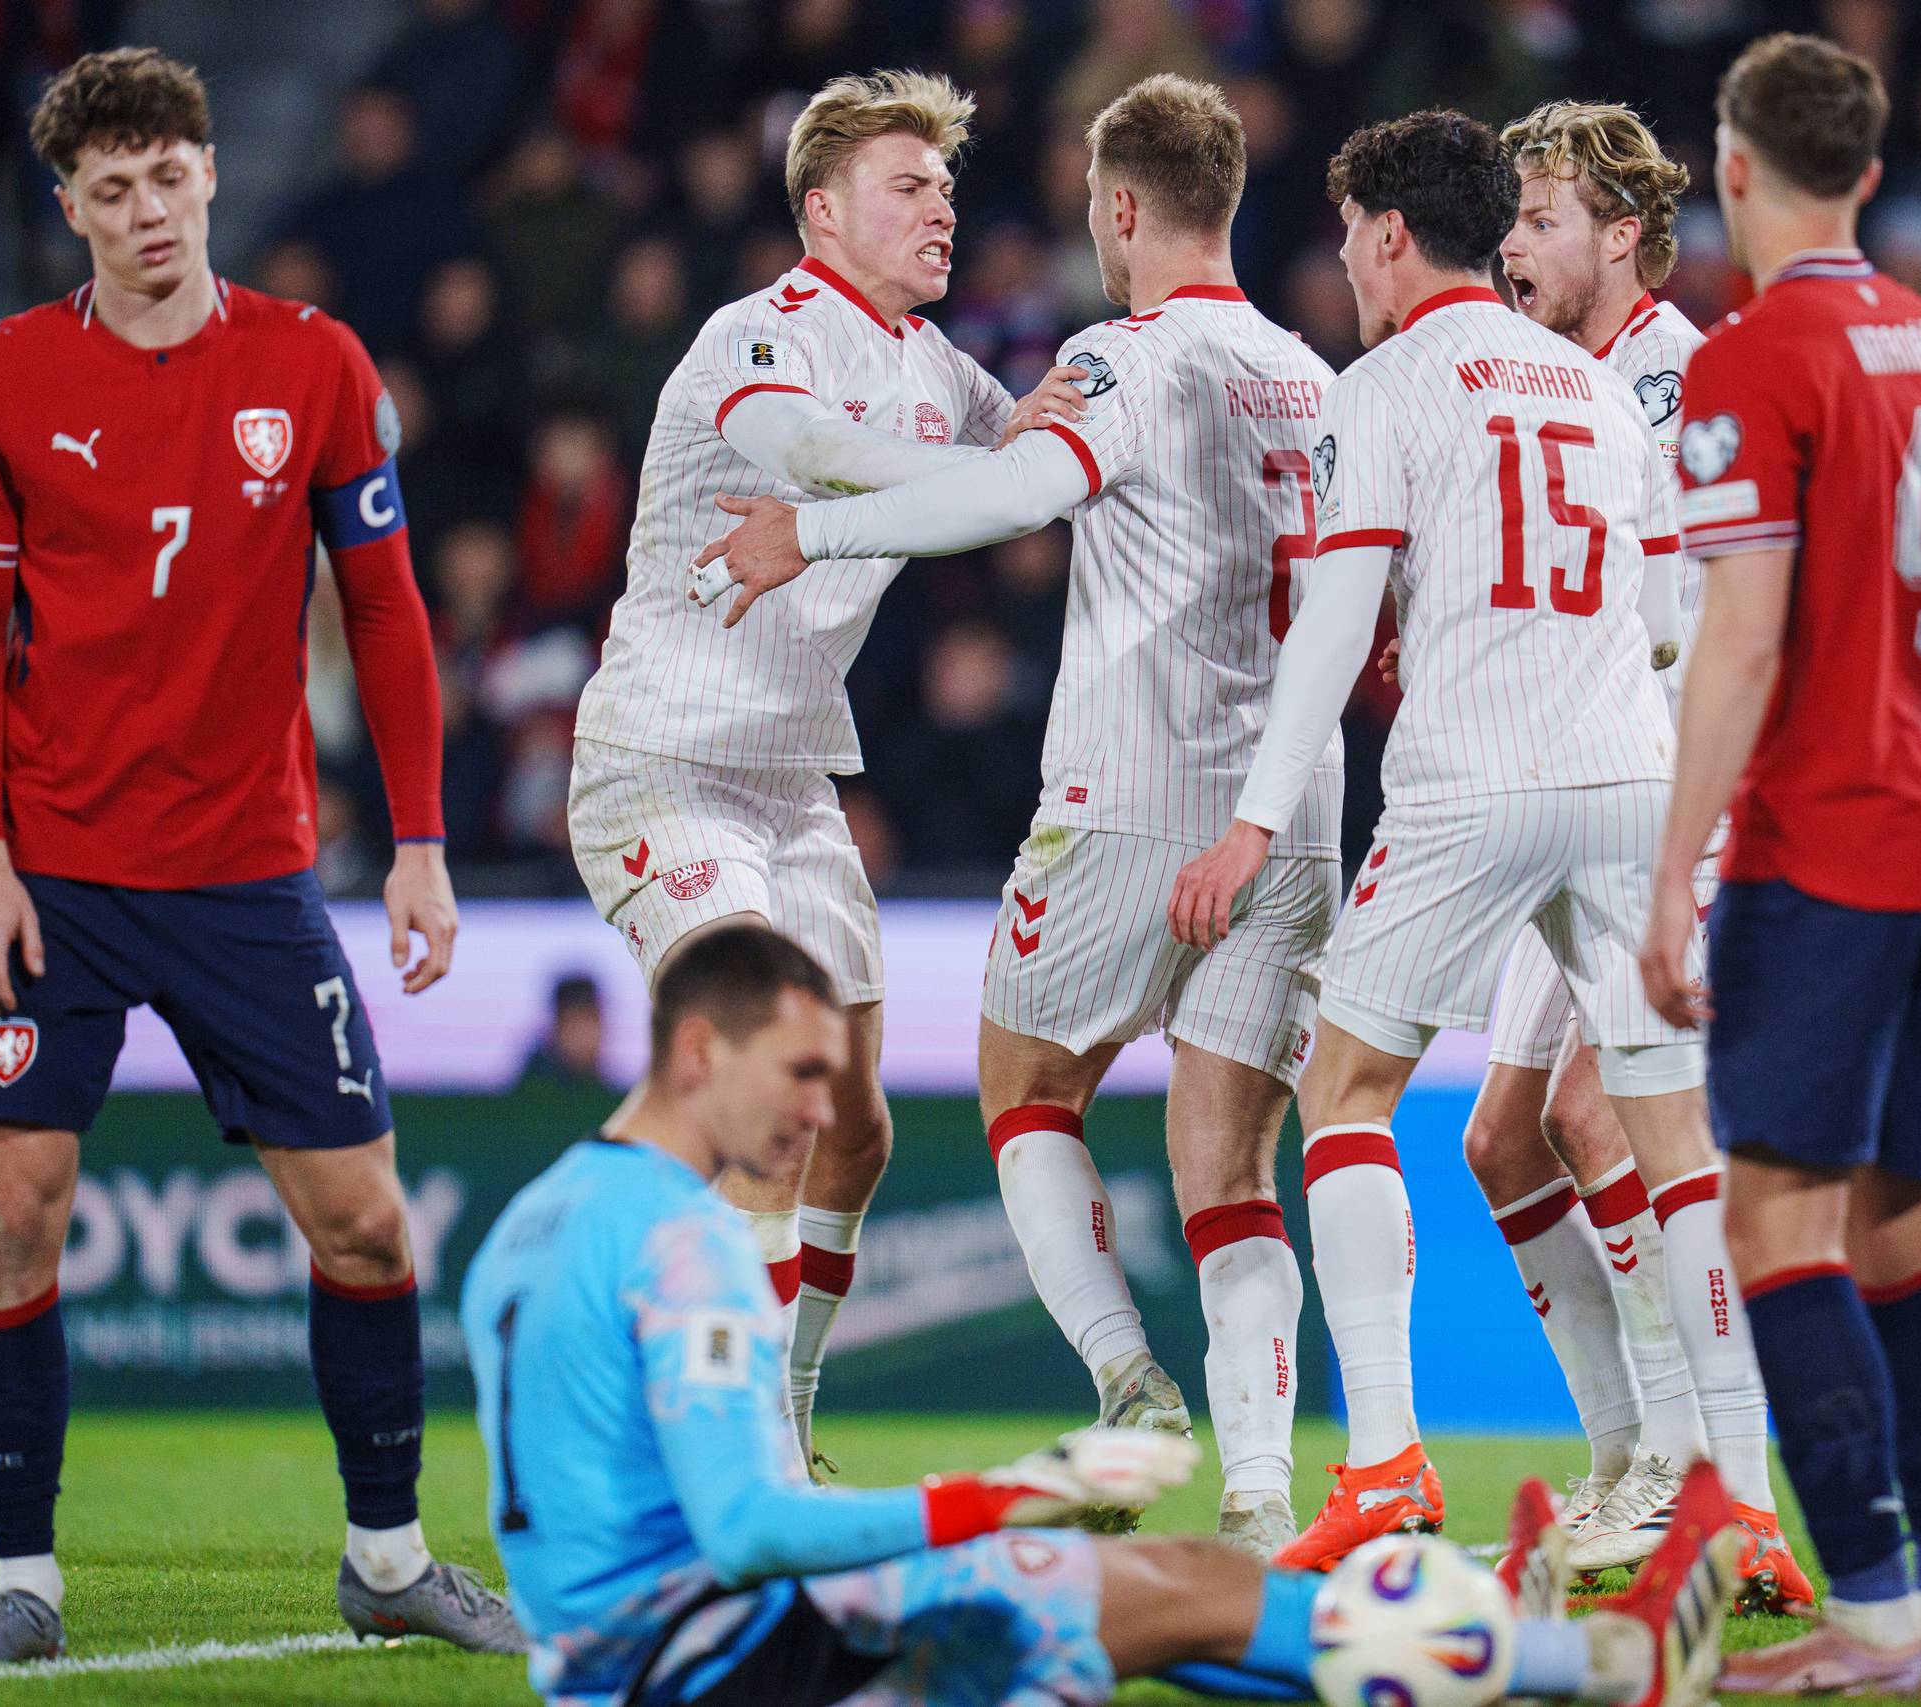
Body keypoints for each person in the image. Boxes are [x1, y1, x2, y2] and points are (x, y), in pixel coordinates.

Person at [462, 918, 1747, 1707]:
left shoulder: (532, 1223)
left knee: (1157, 1595)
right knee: (1172, 1591)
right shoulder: (684, 1244)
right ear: (699, 1053)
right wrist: (1018, 1491)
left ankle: (1505, 1661)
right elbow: (747, 1528)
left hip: (622, 1663)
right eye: (800, 1073)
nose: (819, 1111)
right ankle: (1591, 1671)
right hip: (732, 1667)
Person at [689, 74, 1338, 1555]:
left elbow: (1016, 494)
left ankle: (1129, 1384)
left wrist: (818, 527)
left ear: (1119, 211)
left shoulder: (1127, 352)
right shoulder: (1310, 371)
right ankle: (1257, 1494)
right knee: (1233, 1167)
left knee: (1026, 1082)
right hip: (1292, 809)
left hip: (1132, 793)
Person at [0, 49, 520, 1661]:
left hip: (252, 872)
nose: (146, 212)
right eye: (109, 191)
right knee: (15, 1211)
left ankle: (388, 1555)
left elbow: (388, 608)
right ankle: (29, 1583)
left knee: (366, 1222)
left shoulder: (317, 364)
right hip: (50, 873)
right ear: (70, 211)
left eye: (167, 176)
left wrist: (419, 841)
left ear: (208, 175)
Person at [1166, 109, 1692, 1573]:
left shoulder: (1384, 384)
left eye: (1347, 236)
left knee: (1345, 1091)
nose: (1343, 261)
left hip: (1472, 780)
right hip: (1627, 781)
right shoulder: (1596, 386)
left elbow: (1334, 630)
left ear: (1393, 237)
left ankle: (1388, 1462)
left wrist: (1252, 824)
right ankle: (1714, 1475)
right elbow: (1655, 627)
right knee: (1647, 1124)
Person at [566, 70, 1083, 1466]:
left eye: (950, 190)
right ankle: (711, 1434)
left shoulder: (937, 366)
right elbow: (817, 457)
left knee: (854, 1130)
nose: (943, 210)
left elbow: (1038, 437)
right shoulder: (758, 337)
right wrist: (949, 487)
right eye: (910, 187)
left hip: (795, 781)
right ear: (821, 209)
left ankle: (785, 1401)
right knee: (767, 1084)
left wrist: (1120, 384)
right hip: (662, 761)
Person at [1637, 34, 1921, 1695]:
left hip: (1835, 843)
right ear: (1868, 172)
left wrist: (1674, 878)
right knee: (1899, 1229)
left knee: (1776, 1225)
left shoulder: (1750, 361)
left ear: (1733, 169)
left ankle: (1867, 1620)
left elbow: (1741, 640)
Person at [1459, 98, 1807, 1606]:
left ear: (1622, 235)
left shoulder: (1687, 381)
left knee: (1608, 1118)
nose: (1514, 245)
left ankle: (1696, 1458)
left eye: (1539, 218)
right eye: (1513, 219)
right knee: (1501, 1137)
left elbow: (1747, 602)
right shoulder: (1550, 381)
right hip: (1581, 797)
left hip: (1683, 806)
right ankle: (1619, 1453)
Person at [516, 972, 611, 1091]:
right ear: (556, 1027)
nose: (582, 1035)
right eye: (573, 1023)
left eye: (590, 1022)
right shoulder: (531, 1089)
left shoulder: (608, 1091)